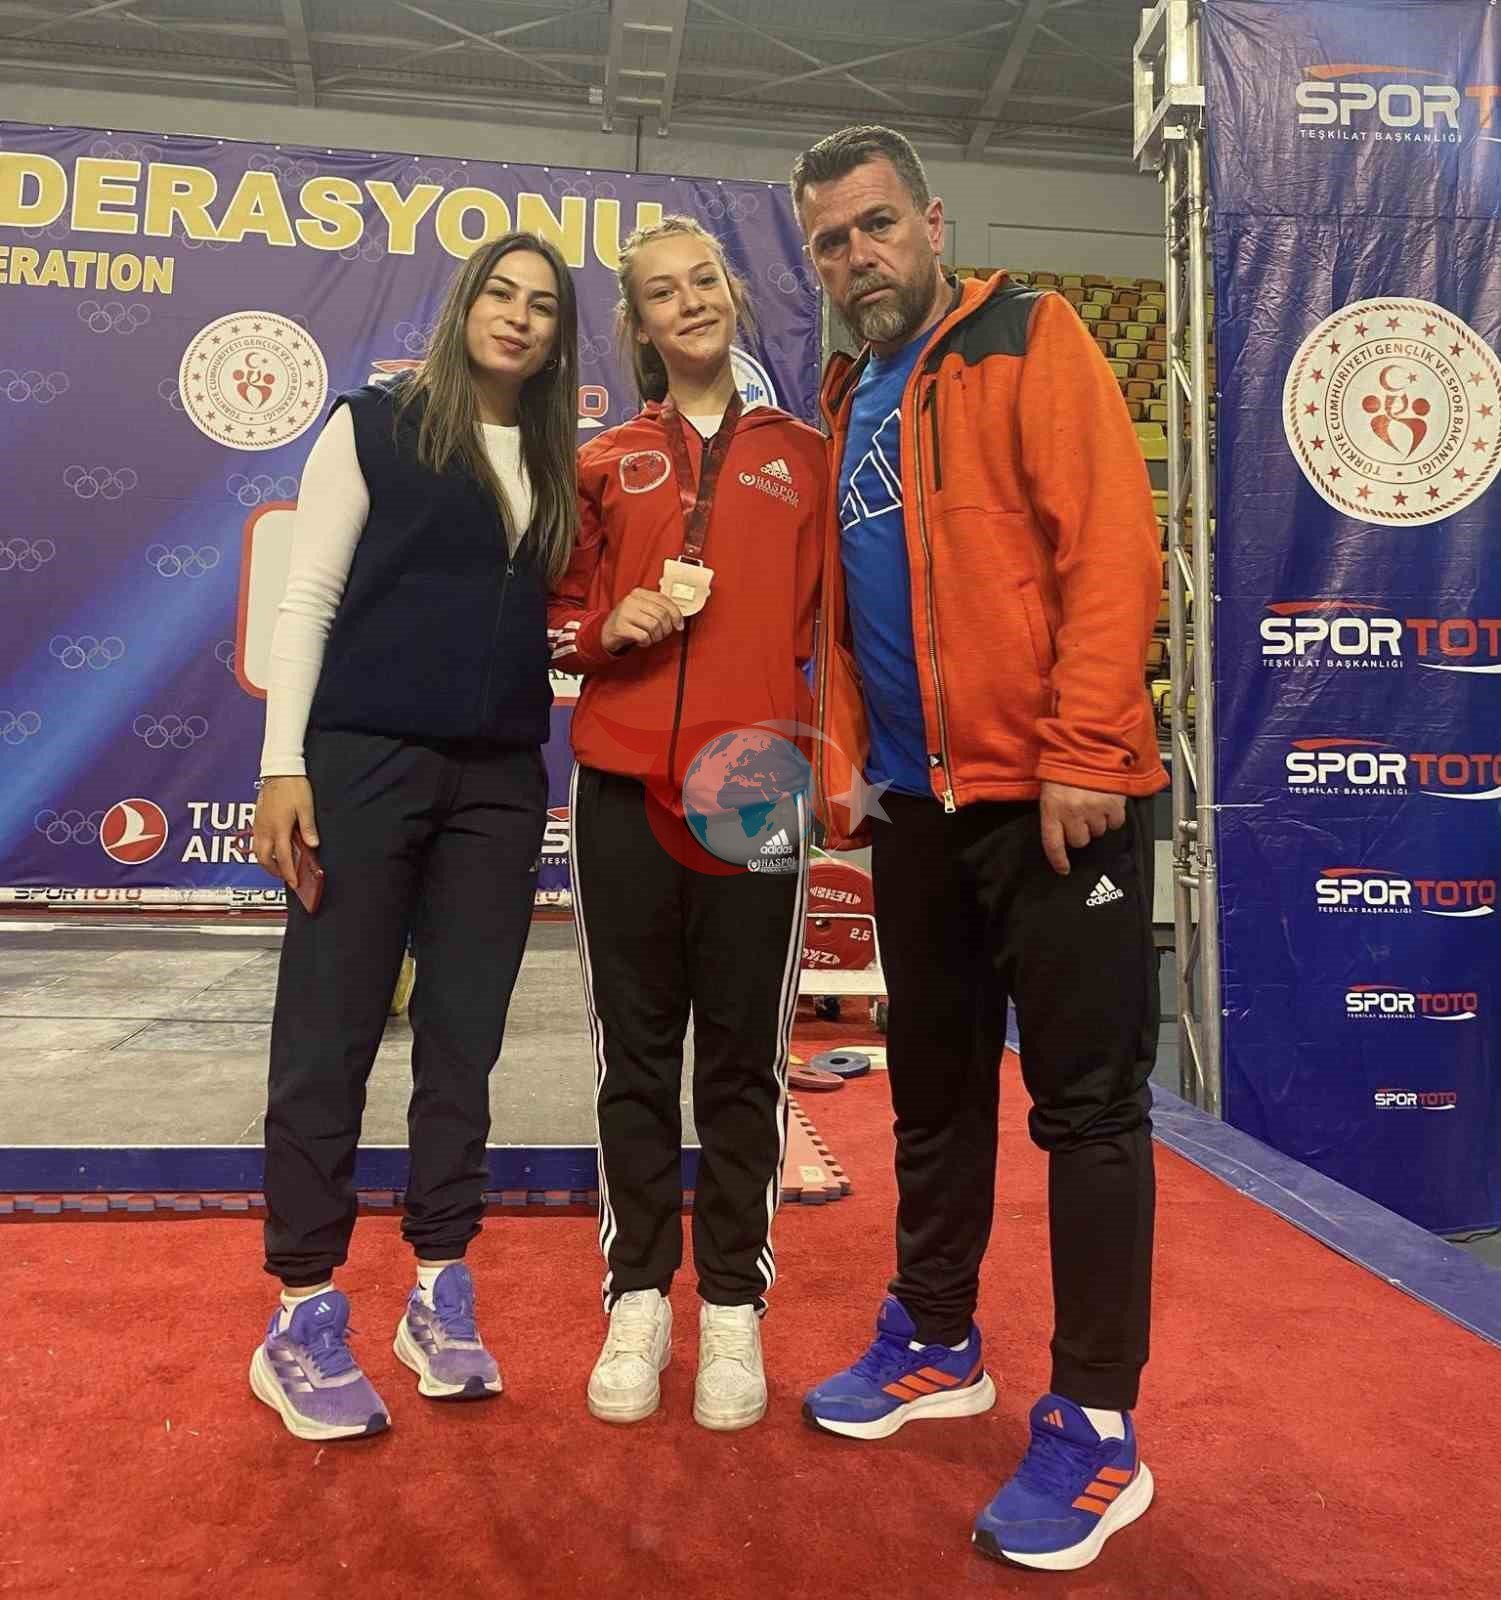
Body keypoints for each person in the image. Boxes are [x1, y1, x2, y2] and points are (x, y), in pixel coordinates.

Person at [790, 125, 1167, 1571]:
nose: (858, 257)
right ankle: (937, 1338)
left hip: (1053, 799)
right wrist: (846, 764)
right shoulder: (845, 394)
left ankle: (1097, 1426)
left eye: (876, 225)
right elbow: (848, 614)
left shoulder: (1028, 335)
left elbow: (1110, 543)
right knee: (934, 1092)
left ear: (932, 221)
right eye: (831, 241)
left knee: (1087, 1111)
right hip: (915, 811)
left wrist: (1083, 750)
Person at [248, 232, 580, 1442]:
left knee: (462, 1038)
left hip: (498, 780)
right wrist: (283, 763)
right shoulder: (372, 425)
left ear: (558, 337)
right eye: (501, 293)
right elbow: (307, 599)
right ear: (465, 305)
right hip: (361, 762)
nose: (518, 316)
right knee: (329, 1030)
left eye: (542, 305)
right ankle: (301, 1310)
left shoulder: (557, 460)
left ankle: (439, 1284)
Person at [547, 216, 824, 1431]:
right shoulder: (604, 461)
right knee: (636, 1056)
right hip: (620, 786)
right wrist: (606, 630)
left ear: (732, 293)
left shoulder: (806, 459)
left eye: (703, 280)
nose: (689, 303)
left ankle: (732, 1307)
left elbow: (839, 635)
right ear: (638, 324)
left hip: (753, 785)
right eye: (661, 293)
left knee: (743, 1059)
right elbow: (554, 618)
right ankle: (636, 1296)